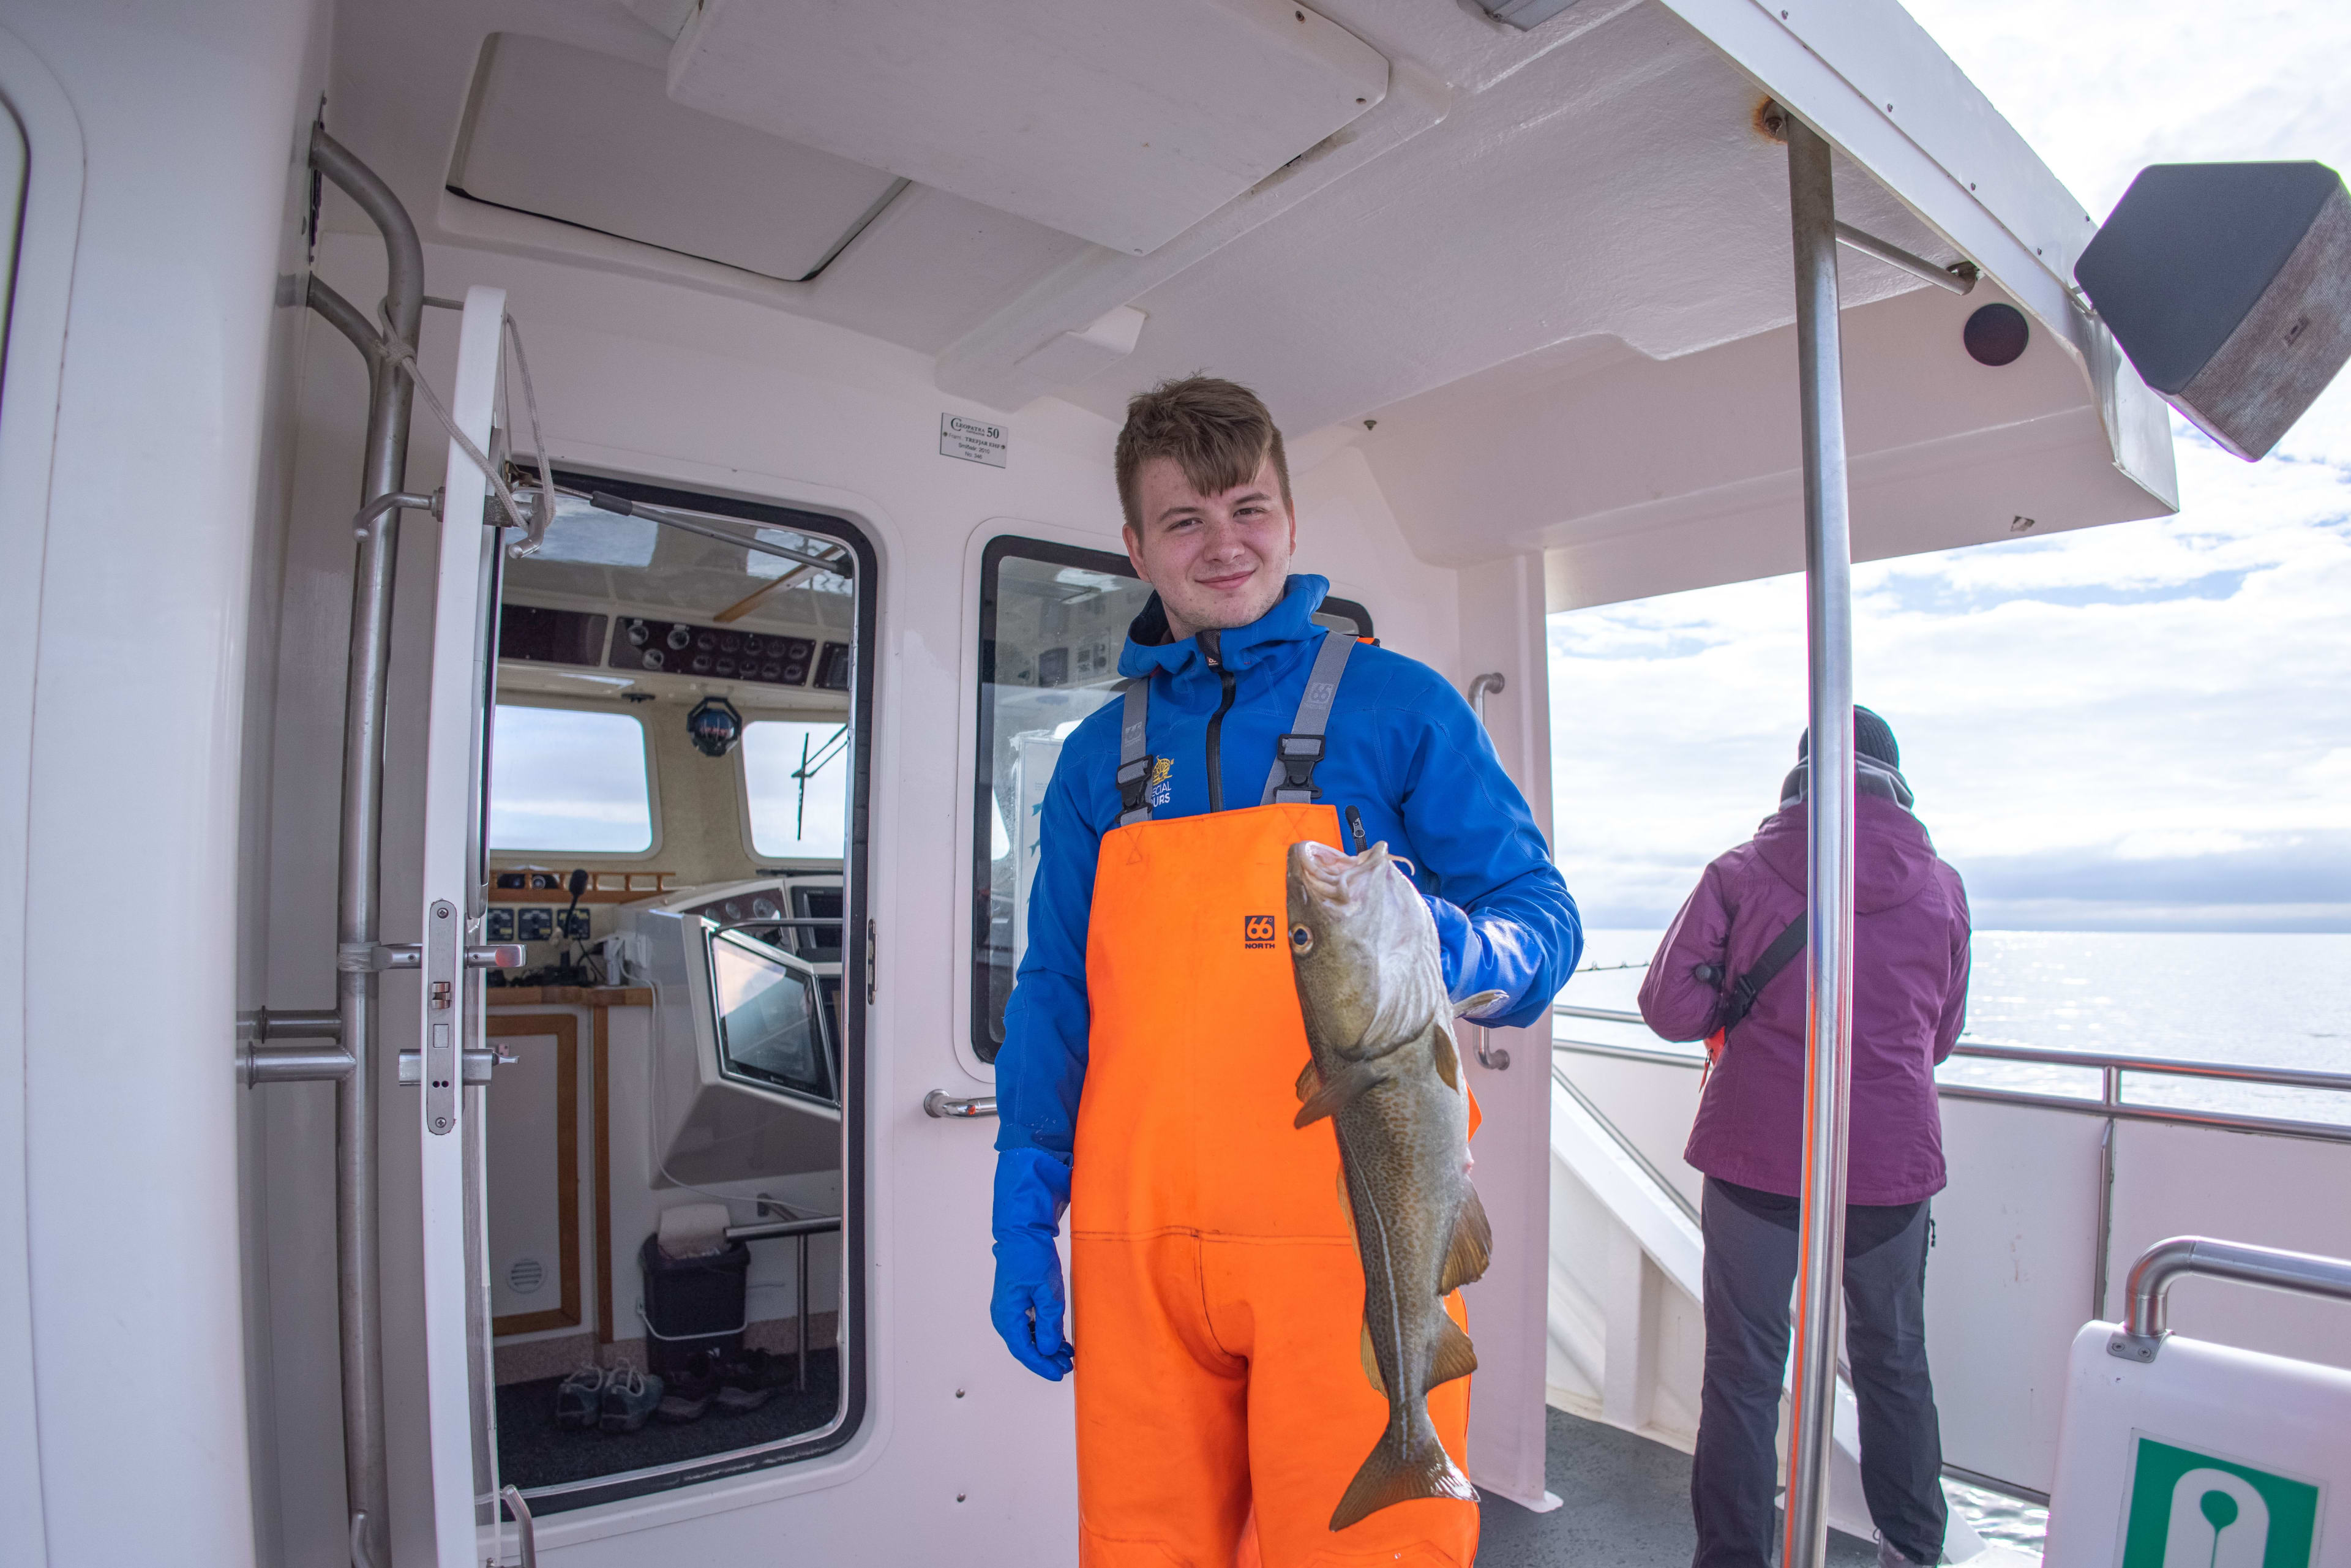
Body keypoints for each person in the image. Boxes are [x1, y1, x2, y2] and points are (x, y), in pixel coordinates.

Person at [989, 375, 1582, 1566]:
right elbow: (1056, 995)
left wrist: (1456, 950)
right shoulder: (1094, 759)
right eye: (1184, 521)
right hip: (1140, 1250)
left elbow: (1543, 926)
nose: (1224, 546)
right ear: (1135, 546)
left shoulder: (1399, 708)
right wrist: (1023, 1207)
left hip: (1353, 1244)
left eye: (1248, 509)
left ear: (1292, 519)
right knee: (1143, 1549)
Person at [1638, 708, 1970, 1568]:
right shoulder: (1943, 885)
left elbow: (1669, 1008)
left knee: (1745, 1373)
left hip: (1756, 1152)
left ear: (1802, 774)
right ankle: (1914, 1549)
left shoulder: (1743, 871)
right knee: (1895, 1361)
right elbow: (1941, 1036)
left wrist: (1727, 994)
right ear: (1894, 779)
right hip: (1892, 1159)